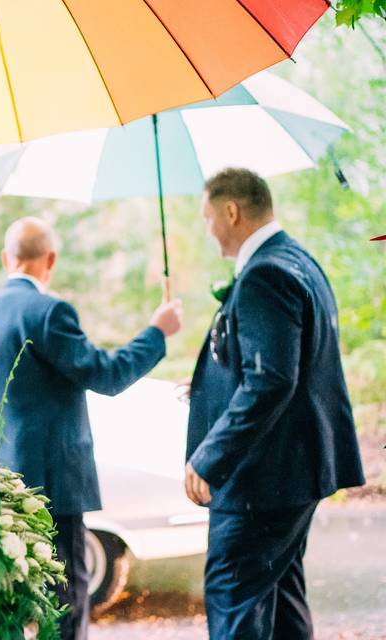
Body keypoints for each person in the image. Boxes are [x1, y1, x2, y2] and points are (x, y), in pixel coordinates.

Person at [0, 217, 183, 640]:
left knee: (7, 598)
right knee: (65, 595)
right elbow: (107, 375)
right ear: (49, 260)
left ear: (5, 258)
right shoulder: (50, 312)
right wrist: (157, 332)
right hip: (50, 483)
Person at [186, 168, 365, 639]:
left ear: (231, 211)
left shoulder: (266, 272)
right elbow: (287, 366)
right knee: (283, 602)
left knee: (234, 602)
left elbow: (271, 381)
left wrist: (209, 458)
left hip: (262, 479)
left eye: (209, 218)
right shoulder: (298, 259)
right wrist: (210, 387)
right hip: (295, 471)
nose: (208, 230)